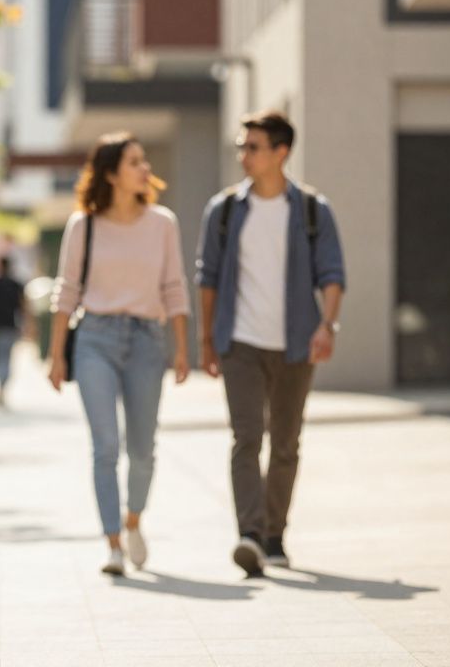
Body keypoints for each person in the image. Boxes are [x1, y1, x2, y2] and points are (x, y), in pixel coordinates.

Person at [196, 111, 345, 577]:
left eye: (253, 147)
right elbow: (208, 278)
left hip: (298, 344)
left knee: (285, 442)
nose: (244, 154)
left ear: (281, 152)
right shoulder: (223, 211)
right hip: (240, 342)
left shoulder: (312, 210)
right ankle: (250, 534)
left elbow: (333, 274)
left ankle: (276, 535)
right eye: (242, 146)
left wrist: (327, 326)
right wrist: (207, 338)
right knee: (246, 438)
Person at [47, 132, 191, 576]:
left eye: (144, 160)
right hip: (95, 340)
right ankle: (112, 543)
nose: (145, 168)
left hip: (149, 340)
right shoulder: (83, 224)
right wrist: (56, 355)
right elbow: (66, 291)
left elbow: (174, 288)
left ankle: (133, 522)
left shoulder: (162, 222)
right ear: (111, 173)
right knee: (106, 445)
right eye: (134, 161)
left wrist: (183, 349)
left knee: (143, 448)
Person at [0, 257, 25, 408]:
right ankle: (3, 389)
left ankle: (1, 389)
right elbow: (22, 307)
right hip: (11, 326)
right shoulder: (17, 285)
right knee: (7, 359)